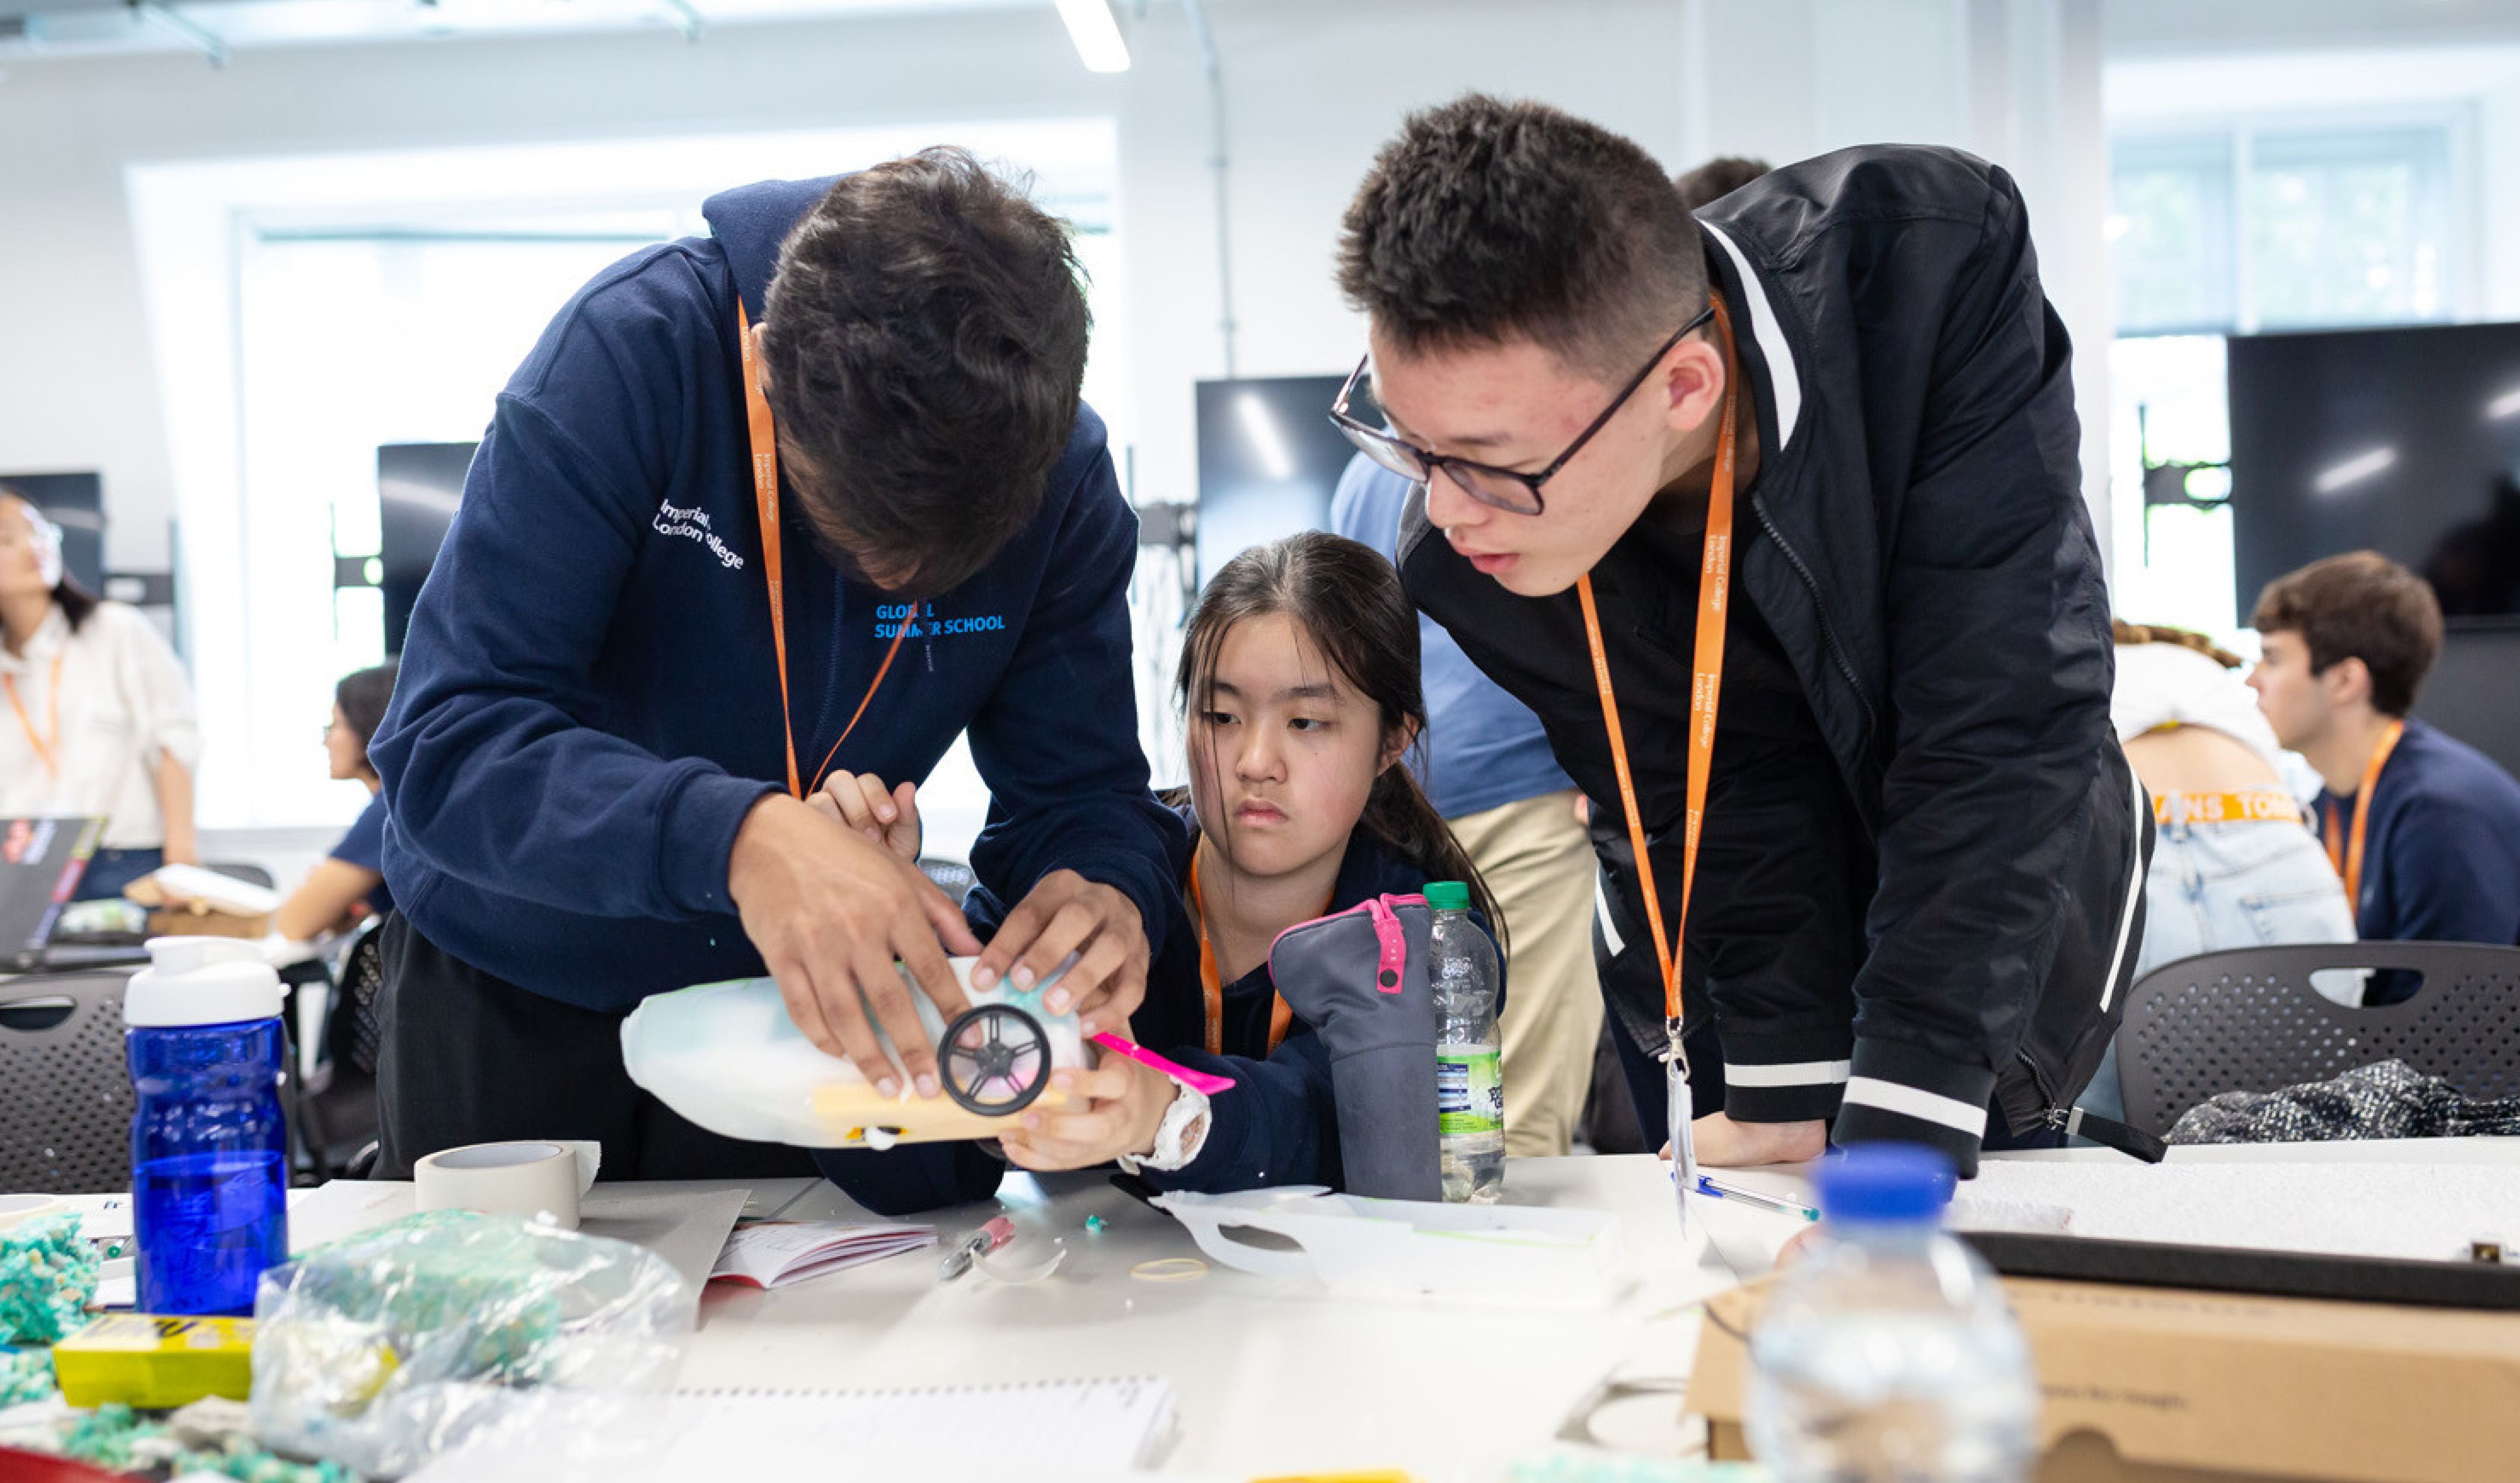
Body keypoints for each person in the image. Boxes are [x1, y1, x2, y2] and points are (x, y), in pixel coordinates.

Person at [1334, 96, 2149, 1175]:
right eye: (1409, 440)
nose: (1444, 507)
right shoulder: (1468, 557)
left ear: (1682, 388)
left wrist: (1902, 1129)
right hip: (1721, 936)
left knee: (1970, 1258)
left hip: (1994, 910)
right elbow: (1709, 793)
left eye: (1488, 458)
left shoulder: (1926, 268)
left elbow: (1996, 717)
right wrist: (1777, 1093)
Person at [368, 149, 1177, 1187]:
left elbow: (1080, 792)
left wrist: (1104, 890)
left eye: (957, 558)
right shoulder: (630, 357)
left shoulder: (1061, 470)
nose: (910, 578)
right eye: (861, 526)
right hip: (520, 990)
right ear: (765, 375)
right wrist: (742, 837)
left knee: (804, 1340)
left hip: (790, 1023)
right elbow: (447, 743)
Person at [810, 533, 1502, 1212]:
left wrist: (1164, 1111)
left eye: (1307, 722)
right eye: (1221, 715)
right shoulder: (1091, 891)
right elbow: (911, 1170)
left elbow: (1337, 1125)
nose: (1255, 759)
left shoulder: (1426, 940)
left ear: (1391, 741)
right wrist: (881, 942)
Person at [1332, 455, 1600, 1158]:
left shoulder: (1362, 473)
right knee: (1511, 1121)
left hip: (1400, 799)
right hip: (1521, 786)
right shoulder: (1513, 443)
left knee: (1412, 1107)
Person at [2078, 621, 2354, 1122]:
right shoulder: (2211, 681)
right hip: (2274, 850)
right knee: (2303, 1127)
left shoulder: (2086, 662)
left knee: (2104, 1147)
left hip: (2127, 853)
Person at [2248, 552, 2520, 971]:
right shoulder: (2332, 801)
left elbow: (2448, 1022)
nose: (2253, 680)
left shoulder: (2439, 811)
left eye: (2273, 658)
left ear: (2345, 681)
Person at [0, 492, 202, 901]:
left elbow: (174, 739)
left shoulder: (116, 631)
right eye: (7, 539)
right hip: (20, 866)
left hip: (121, 860)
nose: (33, 549)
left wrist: (181, 852)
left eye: (41, 533)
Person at [274, 662, 400, 943]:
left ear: (369, 727)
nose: (326, 741)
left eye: (335, 725)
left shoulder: (389, 810)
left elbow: (294, 922)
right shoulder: (399, 802)